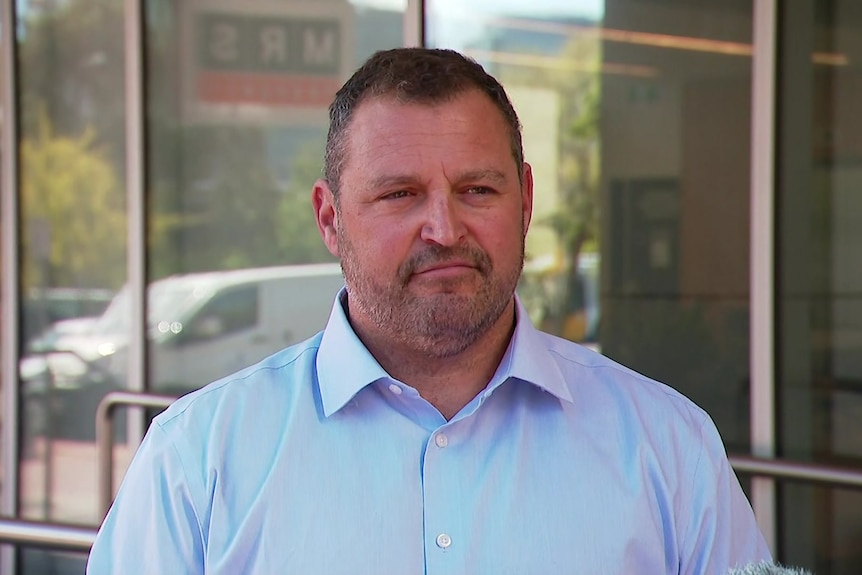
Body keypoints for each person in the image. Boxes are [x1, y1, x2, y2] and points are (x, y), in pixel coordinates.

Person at [87, 47, 772, 574]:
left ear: (525, 201)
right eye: (400, 195)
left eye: (477, 189)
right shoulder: (197, 460)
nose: (444, 227)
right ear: (330, 218)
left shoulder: (670, 447)